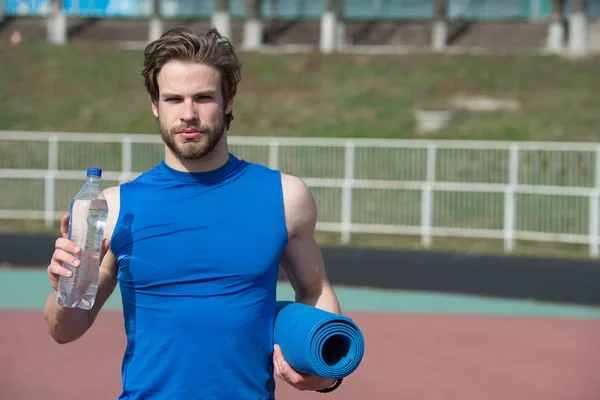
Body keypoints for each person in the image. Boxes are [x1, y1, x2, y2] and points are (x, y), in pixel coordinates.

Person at [43, 27, 344, 399]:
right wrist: (63, 289)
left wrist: (326, 372)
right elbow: (66, 329)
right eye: (173, 99)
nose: (188, 114)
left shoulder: (285, 196)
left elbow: (315, 289)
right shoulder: (116, 207)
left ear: (229, 100)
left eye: (203, 97)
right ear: (155, 105)